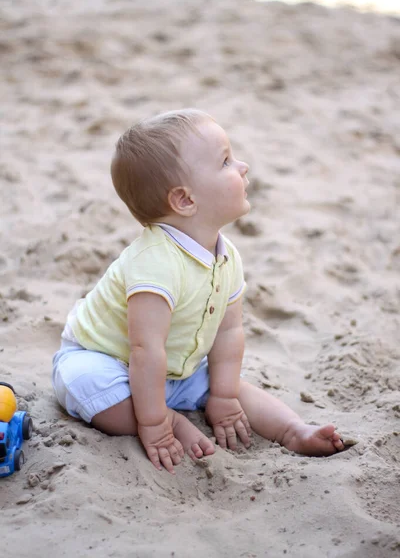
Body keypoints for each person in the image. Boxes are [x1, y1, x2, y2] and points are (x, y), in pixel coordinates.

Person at [52, 109, 344, 474]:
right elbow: (145, 349)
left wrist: (222, 396)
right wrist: (157, 423)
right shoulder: (155, 263)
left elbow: (228, 331)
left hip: (173, 368)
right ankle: (171, 417)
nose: (243, 166)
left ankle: (294, 430)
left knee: (235, 389)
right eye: (225, 161)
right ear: (185, 201)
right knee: (89, 385)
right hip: (106, 358)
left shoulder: (226, 255)